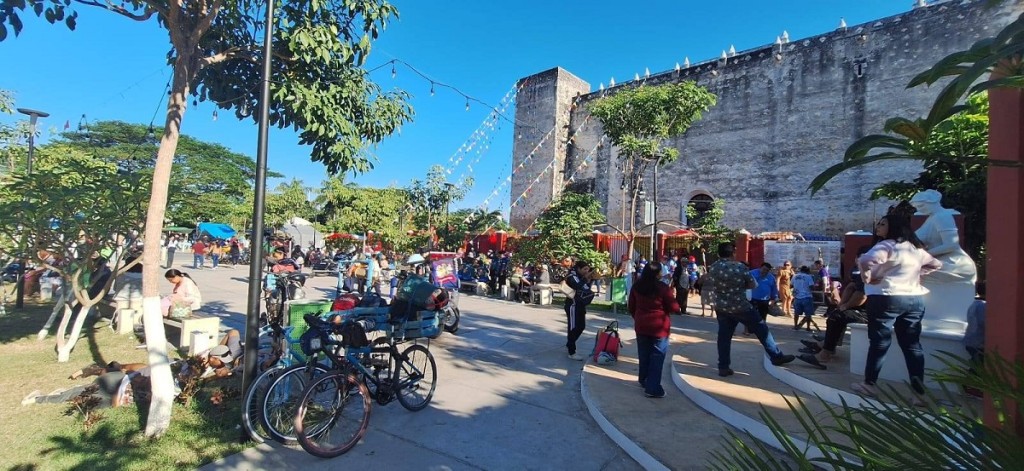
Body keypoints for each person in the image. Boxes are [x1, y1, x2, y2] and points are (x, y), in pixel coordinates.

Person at [850, 212, 942, 400]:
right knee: (912, 346)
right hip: (914, 299)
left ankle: (869, 384)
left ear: (893, 226)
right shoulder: (915, 249)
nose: (878, 227)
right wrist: (918, 274)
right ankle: (919, 393)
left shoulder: (886, 245)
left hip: (886, 297)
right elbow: (936, 264)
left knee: (879, 342)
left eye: (883, 224)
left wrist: (868, 277)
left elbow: (866, 261)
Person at [705, 242, 794, 377]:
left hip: (722, 307)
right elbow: (752, 284)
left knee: (724, 337)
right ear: (733, 253)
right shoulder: (740, 267)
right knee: (761, 329)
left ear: (718, 253)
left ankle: (723, 367)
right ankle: (776, 355)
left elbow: (711, 283)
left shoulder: (714, 268)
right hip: (741, 306)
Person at [797, 259, 869, 369]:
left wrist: (846, 306)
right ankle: (826, 346)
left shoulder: (872, 272)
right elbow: (851, 287)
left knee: (836, 317)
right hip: (861, 309)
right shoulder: (860, 271)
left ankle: (825, 354)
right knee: (836, 314)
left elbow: (862, 295)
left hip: (870, 313)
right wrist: (842, 306)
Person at [628, 261, 681, 398]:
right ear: (658, 273)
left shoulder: (637, 286)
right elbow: (674, 308)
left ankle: (643, 379)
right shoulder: (662, 288)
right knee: (657, 356)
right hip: (659, 326)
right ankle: (653, 388)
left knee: (644, 354)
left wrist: (638, 317)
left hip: (641, 324)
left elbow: (631, 306)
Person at [564, 260, 596, 361]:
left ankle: (570, 342)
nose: (587, 271)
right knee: (573, 327)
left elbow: (586, 289)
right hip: (573, 305)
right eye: (585, 269)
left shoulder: (581, 277)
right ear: (578, 269)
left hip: (580, 305)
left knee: (581, 326)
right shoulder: (571, 277)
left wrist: (591, 279)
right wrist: (586, 278)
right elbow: (577, 286)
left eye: (588, 269)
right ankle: (571, 351)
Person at [962, 281, 986, 398]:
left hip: (971, 339)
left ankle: (970, 386)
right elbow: (983, 323)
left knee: (977, 363)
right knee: (978, 365)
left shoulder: (974, 304)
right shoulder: (983, 306)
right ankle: (969, 387)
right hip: (978, 341)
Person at [791, 266, 818, 331]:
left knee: (796, 313)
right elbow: (811, 287)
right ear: (807, 271)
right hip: (807, 297)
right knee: (808, 313)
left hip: (797, 297)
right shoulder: (808, 277)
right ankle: (808, 327)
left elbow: (791, 285)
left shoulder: (795, 276)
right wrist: (815, 286)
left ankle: (795, 325)